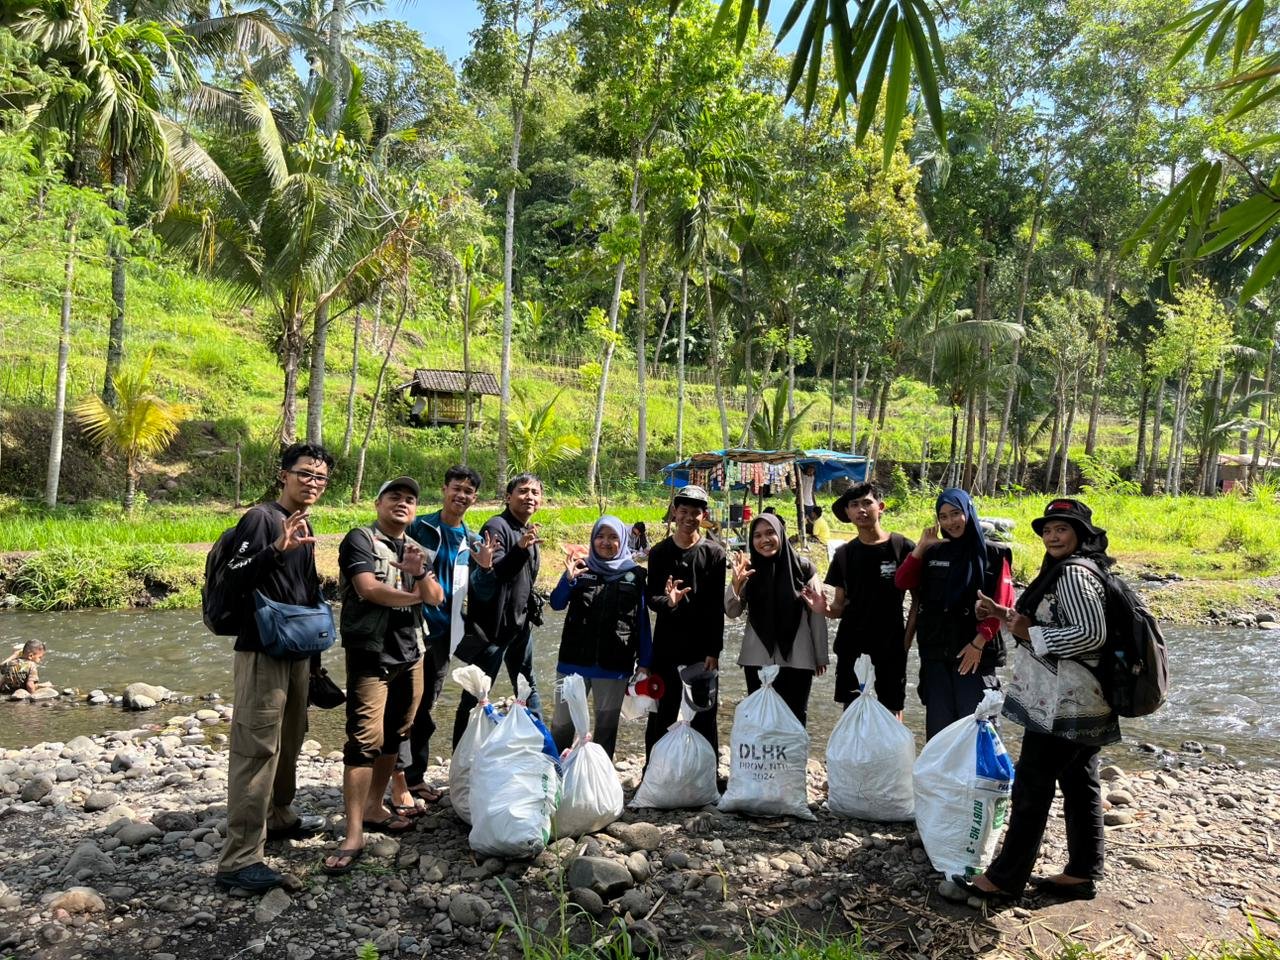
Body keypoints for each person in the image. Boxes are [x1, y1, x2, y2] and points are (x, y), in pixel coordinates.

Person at [953, 499, 1119, 904]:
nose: (1052, 536)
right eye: (1047, 530)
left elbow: (1091, 635)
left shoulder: (1076, 575)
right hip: (1080, 699)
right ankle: (1082, 872)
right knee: (1080, 782)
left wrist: (1032, 634)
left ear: (1080, 533)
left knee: (1032, 785)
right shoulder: (1068, 571)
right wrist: (1006, 614)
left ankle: (1004, 880)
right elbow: (1048, 622)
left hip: (1065, 702)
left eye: (1062, 529)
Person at [215, 443, 334, 893]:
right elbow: (233, 573)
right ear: (283, 474)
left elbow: (303, 595)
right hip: (262, 649)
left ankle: (279, 815)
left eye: (321, 478)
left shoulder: (304, 522)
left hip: (296, 649)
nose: (313, 483)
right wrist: (275, 549)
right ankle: (239, 860)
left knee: (291, 737)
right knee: (257, 747)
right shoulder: (262, 519)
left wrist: (317, 662)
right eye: (305, 473)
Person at [323, 477, 444, 874]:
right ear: (378, 503)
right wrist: (417, 595)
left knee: (398, 732)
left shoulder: (419, 549)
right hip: (371, 655)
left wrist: (420, 575)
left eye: (410, 499)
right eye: (395, 496)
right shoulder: (359, 539)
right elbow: (368, 589)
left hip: (412, 653)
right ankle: (353, 831)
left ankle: (375, 806)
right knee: (362, 739)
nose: (403, 503)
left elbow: (438, 597)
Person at [386, 465, 485, 812]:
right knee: (404, 707)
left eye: (468, 491)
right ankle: (395, 779)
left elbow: (477, 589)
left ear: (474, 498)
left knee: (425, 708)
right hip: (411, 626)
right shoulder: (420, 526)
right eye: (456, 488)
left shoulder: (472, 541)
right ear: (444, 489)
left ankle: (414, 776)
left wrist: (485, 567)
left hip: (444, 633)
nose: (461, 495)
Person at [894, 487, 1013, 740]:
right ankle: (940, 781)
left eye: (956, 513)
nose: (950, 522)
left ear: (968, 512)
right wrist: (921, 547)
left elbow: (1002, 604)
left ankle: (984, 780)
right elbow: (903, 581)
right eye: (943, 516)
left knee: (978, 726)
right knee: (940, 731)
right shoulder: (933, 551)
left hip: (975, 654)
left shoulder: (994, 553)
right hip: (936, 654)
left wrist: (979, 643)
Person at [451, 473, 545, 748]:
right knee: (475, 694)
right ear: (508, 496)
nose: (529, 497)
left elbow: (525, 582)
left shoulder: (526, 531)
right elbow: (494, 573)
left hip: (519, 627)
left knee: (528, 687)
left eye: (535, 493)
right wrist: (519, 549)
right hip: (492, 631)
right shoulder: (496, 526)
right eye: (523, 491)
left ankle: (541, 749)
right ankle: (460, 757)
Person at [548, 515, 652, 758]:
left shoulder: (635, 576)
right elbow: (556, 603)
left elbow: (642, 622)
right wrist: (567, 580)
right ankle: (553, 773)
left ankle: (599, 779)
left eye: (613, 537)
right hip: (573, 663)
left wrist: (646, 662)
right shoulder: (580, 569)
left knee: (606, 728)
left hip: (614, 665)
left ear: (624, 540)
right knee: (562, 725)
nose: (606, 542)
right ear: (593, 540)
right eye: (600, 536)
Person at [644, 484, 726, 764]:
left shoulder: (714, 554)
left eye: (696, 512)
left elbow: (716, 608)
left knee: (703, 710)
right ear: (674, 514)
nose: (689, 517)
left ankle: (707, 774)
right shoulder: (658, 553)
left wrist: (714, 651)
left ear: (704, 516)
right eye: (684, 511)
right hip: (666, 645)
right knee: (662, 710)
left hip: (701, 647)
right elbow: (651, 598)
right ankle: (654, 770)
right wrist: (669, 601)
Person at [725, 513, 829, 726]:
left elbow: (816, 613)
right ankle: (762, 760)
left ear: (781, 533)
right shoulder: (749, 570)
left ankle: (793, 760)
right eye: (757, 535)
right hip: (756, 657)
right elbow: (732, 612)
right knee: (759, 718)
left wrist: (820, 655)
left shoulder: (803, 568)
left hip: (798, 657)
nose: (764, 540)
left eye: (770, 532)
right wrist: (735, 583)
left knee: (795, 717)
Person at [823, 483, 915, 719]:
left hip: (891, 644)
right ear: (848, 513)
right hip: (851, 643)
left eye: (867, 503)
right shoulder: (844, 554)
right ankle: (851, 756)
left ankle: (893, 756)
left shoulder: (901, 547)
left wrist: (906, 641)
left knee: (892, 706)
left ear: (880, 507)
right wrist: (821, 606)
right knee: (851, 707)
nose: (861, 510)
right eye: (854, 505)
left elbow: (919, 601)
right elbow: (838, 606)